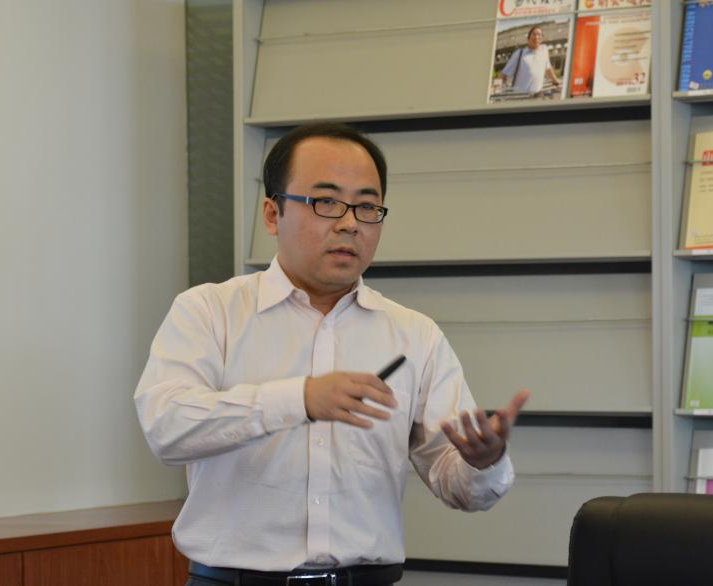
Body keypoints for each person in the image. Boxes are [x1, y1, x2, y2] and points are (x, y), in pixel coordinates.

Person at [135, 122, 530, 586]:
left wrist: (482, 462)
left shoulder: (414, 335)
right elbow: (167, 427)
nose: (349, 223)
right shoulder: (210, 311)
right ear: (272, 214)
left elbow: (457, 486)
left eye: (367, 206)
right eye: (326, 202)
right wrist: (298, 400)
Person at [501, 25, 562, 96]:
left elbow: (548, 68)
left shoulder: (544, 50)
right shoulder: (519, 53)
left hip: (537, 96)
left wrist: (556, 81)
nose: (536, 37)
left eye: (539, 35)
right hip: (520, 96)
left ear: (542, 39)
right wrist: (502, 91)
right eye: (534, 34)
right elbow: (504, 74)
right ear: (528, 38)